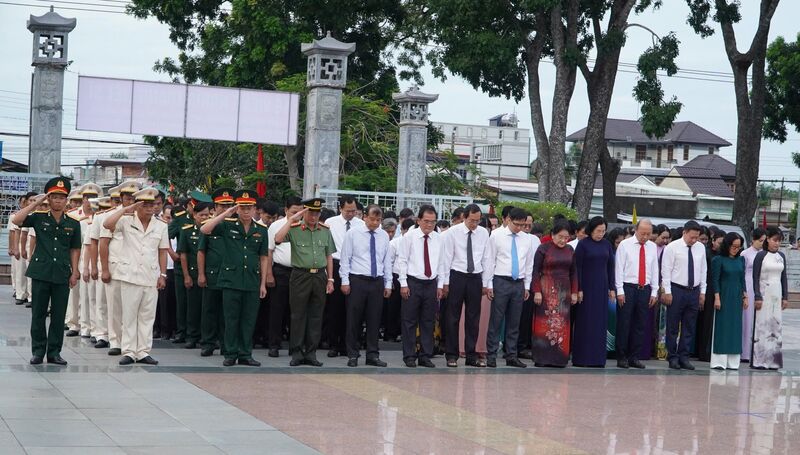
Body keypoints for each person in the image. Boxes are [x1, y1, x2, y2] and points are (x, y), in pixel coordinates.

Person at [12, 178, 81, 365]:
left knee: (58, 316)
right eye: (54, 197)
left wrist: (75, 271)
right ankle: (38, 351)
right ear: (49, 200)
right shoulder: (38, 217)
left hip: (61, 273)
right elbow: (16, 219)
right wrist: (35, 203)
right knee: (38, 314)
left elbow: (75, 249)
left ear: (66, 200)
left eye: (62, 198)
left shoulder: (74, 224)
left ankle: (54, 352)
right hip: (41, 272)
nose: (58, 201)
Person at [200, 190, 269, 367]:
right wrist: (225, 213)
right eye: (242, 208)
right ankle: (230, 353)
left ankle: (245, 353)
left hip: (252, 281)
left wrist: (263, 283)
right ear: (237, 209)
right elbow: (204, 229)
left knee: (248, 320)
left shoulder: (261, 230)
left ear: (255, 210)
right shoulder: (227, 225)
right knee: (231, 319)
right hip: (231, 280)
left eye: (249, 208)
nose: (246, 211)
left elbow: (263, 257)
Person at [103, 187, 168, 365]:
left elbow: (163, 252)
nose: (150, 208)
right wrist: (125, 209)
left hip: (150, 276)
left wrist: (162, 274)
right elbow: (107, 225)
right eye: (145, 205)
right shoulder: (125, 221)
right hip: (129, 275)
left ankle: (143, 351)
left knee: (147, 316)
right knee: (129, 315)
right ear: (137, 205)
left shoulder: (161, 225)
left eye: (152, 205)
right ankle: (129, 351)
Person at [274, 198, 336, 367]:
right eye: (311, 213)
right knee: (298, 315)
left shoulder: (324, 230)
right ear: (304, 212)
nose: (314, 217)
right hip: (300, 275)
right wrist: (292, 220)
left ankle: (311, 353)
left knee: (316, 315)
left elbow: (329, 255)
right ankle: (297, 352)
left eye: (317, 213)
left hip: (319, 276)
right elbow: (278, 239)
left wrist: (330, 279)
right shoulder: (294, 229)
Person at [339, 204, 393, 367]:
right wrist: (345, 281)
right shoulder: (353, 234)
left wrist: (388, 283)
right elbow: (345, 258)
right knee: (354, 319)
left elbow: (386, 261)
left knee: (374, 319)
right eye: (372, 219)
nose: (375, 223)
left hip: (376, 281)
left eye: (378, 220)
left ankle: (372, 354)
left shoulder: (383, 235)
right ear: (364, 217)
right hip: (358, 280)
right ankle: (353, 354)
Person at [483, 208, 536, 368]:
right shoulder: (496, 236)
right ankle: (491, 354)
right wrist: (489, 284)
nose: (519, 228)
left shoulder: (526, 239)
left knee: (514, 321)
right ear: (508, 220)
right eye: (517, 224)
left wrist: (527, 285)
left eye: (523, 225)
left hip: (518, 282)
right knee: (496, 320)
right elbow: (490, 261)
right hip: (501, 280)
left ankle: (511, 354)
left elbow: (528, 263)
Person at [440, 204, 489, 368]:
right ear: (464, 217)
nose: (474, 224)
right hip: (457, 275)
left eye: (477, 220)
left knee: (473, 317)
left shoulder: (483, 233)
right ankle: (451, 354)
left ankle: (471, 354)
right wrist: (445, 282)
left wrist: (486, 282)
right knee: (452, 316)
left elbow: (487, 258)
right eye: (471, 220)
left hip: (475, 276)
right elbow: (446, 258)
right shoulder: (452, 232)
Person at [397, 205, 444, 368]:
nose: (429, 225)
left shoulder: (439, 238)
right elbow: (402, 260)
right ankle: (409, 355)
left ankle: (425, 355)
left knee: (428, 321)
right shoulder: (410, 237)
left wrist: (440, 285)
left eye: (433, 222)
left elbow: (442, 263)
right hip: (413, 282)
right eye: (426, 221)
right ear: (418, 220)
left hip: (431, 283)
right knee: (409, 320)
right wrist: (403, 283)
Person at [99, 180, 141, 356]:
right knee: (115, 307)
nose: (130, 201)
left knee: (133, 309)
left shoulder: (143, 216)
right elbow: (103, 243)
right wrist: (105, 269)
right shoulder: (113, 216)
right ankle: (115, 341)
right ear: (121, 198)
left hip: (136, 269)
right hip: (116, 267)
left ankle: (131, 343)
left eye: (133, 198)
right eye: (127, 198)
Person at [613, 220, 659, 369]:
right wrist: (619, 290)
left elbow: (654, 270)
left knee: (640, 324)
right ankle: (622, 356)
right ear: (635, 230)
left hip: (644, 288)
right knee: (624, 323)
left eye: (648, 234)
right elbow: (619, 269)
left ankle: (635, 356)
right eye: (642, 233)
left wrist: (654, 291)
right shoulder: (625, 245)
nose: (645, 237)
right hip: (628, 287)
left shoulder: (652, 247)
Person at [531, 220, 578, 368]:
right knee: (544, 324)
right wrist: (537, 291)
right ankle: (542, 358)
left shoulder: (570, 250)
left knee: (562, 325)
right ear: (552, 235)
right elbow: (535, 271)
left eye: (566, 237)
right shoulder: (543, 249)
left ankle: (559, 358)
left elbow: (574, 272)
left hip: (564, 291)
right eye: (560, 236)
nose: (563, 240)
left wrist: (575, 292)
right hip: (546, 289)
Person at [661, 220, 707, 370]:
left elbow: (703, 271)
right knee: (673, 326)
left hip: (693, 290)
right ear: (684, 233)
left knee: (689, 325)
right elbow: (666, 271)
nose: (694, 240)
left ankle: (684, 357)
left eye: (697, 237)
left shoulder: (700, 248)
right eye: (691, 237)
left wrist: (703, 292)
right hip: (676, 289)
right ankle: (672, 356)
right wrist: (667, 291)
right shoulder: (672, 247)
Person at [324, 195, 364, 357]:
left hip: (355, 267)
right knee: (335, 308)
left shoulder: (361, 224)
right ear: (340, 208)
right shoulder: (330, 223)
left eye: (354, 211)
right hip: (335, 264)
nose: (351, 214)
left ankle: (350, 344)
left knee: (353, 309)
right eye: (348, 211)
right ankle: (334, 344)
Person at [197, 188, 235, 357]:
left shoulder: (237, 224)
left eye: (229, 205)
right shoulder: (210, 225)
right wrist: (201, 274)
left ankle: (227, 344)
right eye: (222, 205)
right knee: (209, 310)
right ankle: (208, 343)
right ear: (215, 207)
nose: (225, 208)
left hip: (231, 276)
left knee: (228, 312)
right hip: (212, 274)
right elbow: (201, 251)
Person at [264, 196, 303, 357]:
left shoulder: (305, 226)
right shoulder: (276, 226)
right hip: (281, 272)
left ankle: (295, 346)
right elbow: (269, 252)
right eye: (294, 212)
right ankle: (274, 344)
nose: (297, 215)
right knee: (277, 310)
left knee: (297, 311)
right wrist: (269, 274)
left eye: (300, 212)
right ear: (286, 210)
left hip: (300, 273)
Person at [573, 216, 615, 367]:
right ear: (591, 230)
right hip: (586, 288)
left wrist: (612, 287)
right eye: (598, 231)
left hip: (602, 288)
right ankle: (582, 358)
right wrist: (579, 288)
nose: (601, 234)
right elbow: (578, 268)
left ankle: (597, 358)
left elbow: (610, 266)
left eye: (603, 231)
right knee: (586, 321)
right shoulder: (583, 245)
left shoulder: (607, 244)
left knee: (600, 322)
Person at [751, 227, 789, 370]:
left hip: (777, 293)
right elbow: (755, 277)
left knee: (775, 325)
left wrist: (785, 296)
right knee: (762, 326)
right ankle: (759, 360)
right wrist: (757, 295)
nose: (777, 244)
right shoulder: (761, 255)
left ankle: (773, 360)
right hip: (763, 292)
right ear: (767, 239)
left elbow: (783, 277)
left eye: (779, 241)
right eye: (774, 240)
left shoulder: (781, 256)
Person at [177, 201, 213, 349]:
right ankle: (192, 336)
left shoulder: (214, 229)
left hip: (210, 274)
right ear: (194, 215)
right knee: (193, 307)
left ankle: (208, 336)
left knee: (209, 308)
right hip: (193, 273)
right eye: (201, 215)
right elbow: (183, 255)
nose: (204, 217)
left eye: (208, 214)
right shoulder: (187, 230)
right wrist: (186, 276)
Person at [710, 232, 746, 370]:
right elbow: (715, 280)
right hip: (723, 295)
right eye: (734, 246)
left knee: (735, 328)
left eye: (738, 247)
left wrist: (745, 296)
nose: (736, 249)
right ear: (727, 245)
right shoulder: (718, 260)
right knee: (722, 326)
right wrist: (717, 298)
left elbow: (742, 279)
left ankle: (733, 361)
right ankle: (719, 361)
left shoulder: (741, 260)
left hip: (737, 296)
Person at [697, 227, 725, 362]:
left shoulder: (724, 256)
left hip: (719, 290)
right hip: (708, 289)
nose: (721, 246)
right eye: (719, 242)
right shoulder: (707, 253)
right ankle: (703, 352)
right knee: (706, 321)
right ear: (713, 241)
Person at [741, 228, 765, 362]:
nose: (762, 243)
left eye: (764, 241)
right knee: (747, 319)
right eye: (760, 241)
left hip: (761, 285)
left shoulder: (765, 254)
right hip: (748, 285)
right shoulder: (745, 254)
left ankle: (757, 352)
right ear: (753, 240)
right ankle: (745, 352)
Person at [653, 224, 671, 360]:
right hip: (653, 286)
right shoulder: (651, 248)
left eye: (667, 238)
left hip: (664, 287)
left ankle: (662, 350)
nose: (665, 241)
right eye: (663, 237)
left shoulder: (668, 250)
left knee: (662, 320)